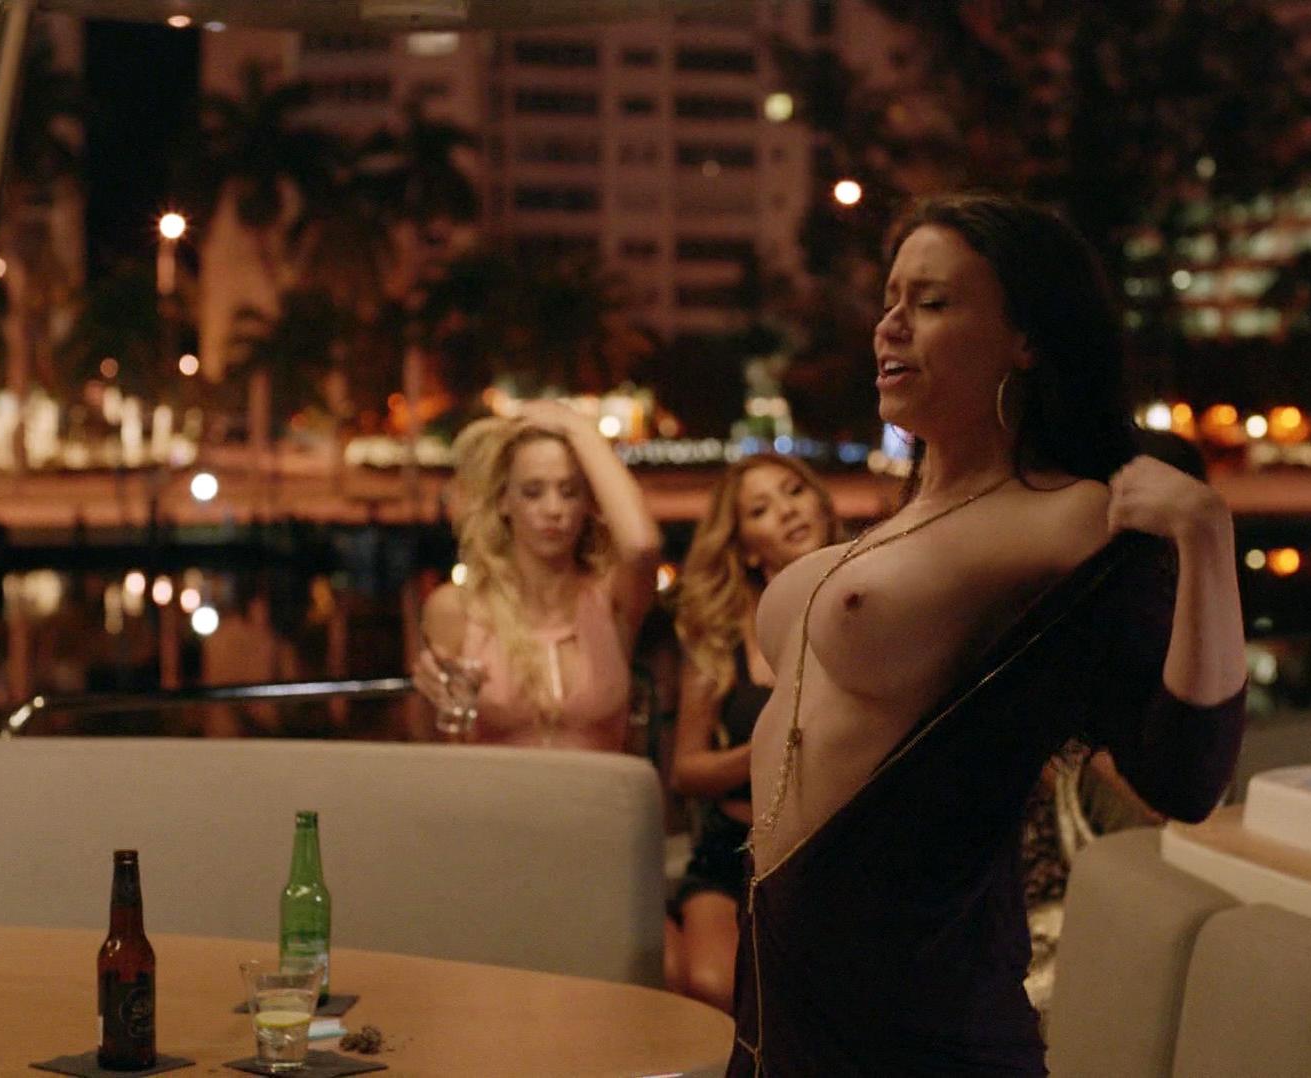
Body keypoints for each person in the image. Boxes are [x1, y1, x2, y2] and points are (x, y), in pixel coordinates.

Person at [729, 194, 1247, 1076]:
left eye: (932, 303)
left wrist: (1206, 537)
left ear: (1027, 340)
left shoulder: (1071, 519)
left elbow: (1185, 774)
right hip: (781, 1005)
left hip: (914, 1022)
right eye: (890, 300)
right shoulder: (903, 520)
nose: (891, 325)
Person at [667, 453, 843, 1013]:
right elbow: (686, 770)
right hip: (734, 851)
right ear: (745, 548)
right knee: (716, 985)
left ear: (821, 504)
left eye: (794, 491)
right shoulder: (720, 636)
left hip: (835, 851)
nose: (787, 510)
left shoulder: (870, 611)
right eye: (761, 509)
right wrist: (771, 747)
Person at [413, 400, 662, 752]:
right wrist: (434, 694)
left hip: (597, 788)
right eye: (532, 492)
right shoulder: (456, 608)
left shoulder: (611, 600)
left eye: (570, 492)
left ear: (589, 503)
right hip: (497, 788)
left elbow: (641, 545)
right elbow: (435, 744)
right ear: (503, 500)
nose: (553, 510)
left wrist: (577, 427)